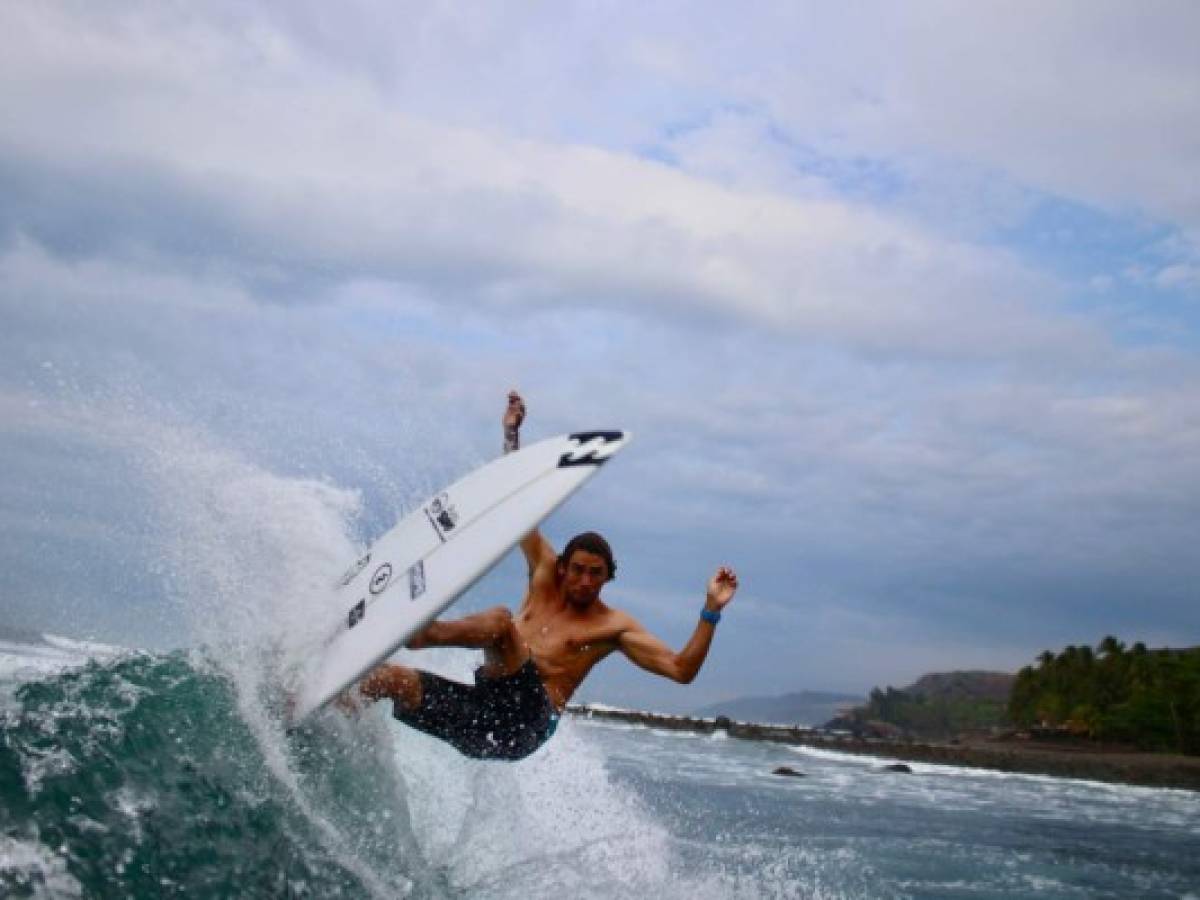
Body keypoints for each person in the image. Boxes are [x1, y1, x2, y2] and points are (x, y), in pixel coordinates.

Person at [356, 391, 739, 760]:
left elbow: (681, 669)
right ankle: (319, 722)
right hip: (479, 716)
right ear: (561, 567)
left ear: (608, 578)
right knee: (387, 680)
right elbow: (518, 507)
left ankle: (420, 633)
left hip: (525, 727)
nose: (586, 581)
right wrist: (511, 435)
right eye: (578, 570)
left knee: (502, 624)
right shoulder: (542, 573)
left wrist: (711, 609)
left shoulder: (612, 628)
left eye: (596, 574)